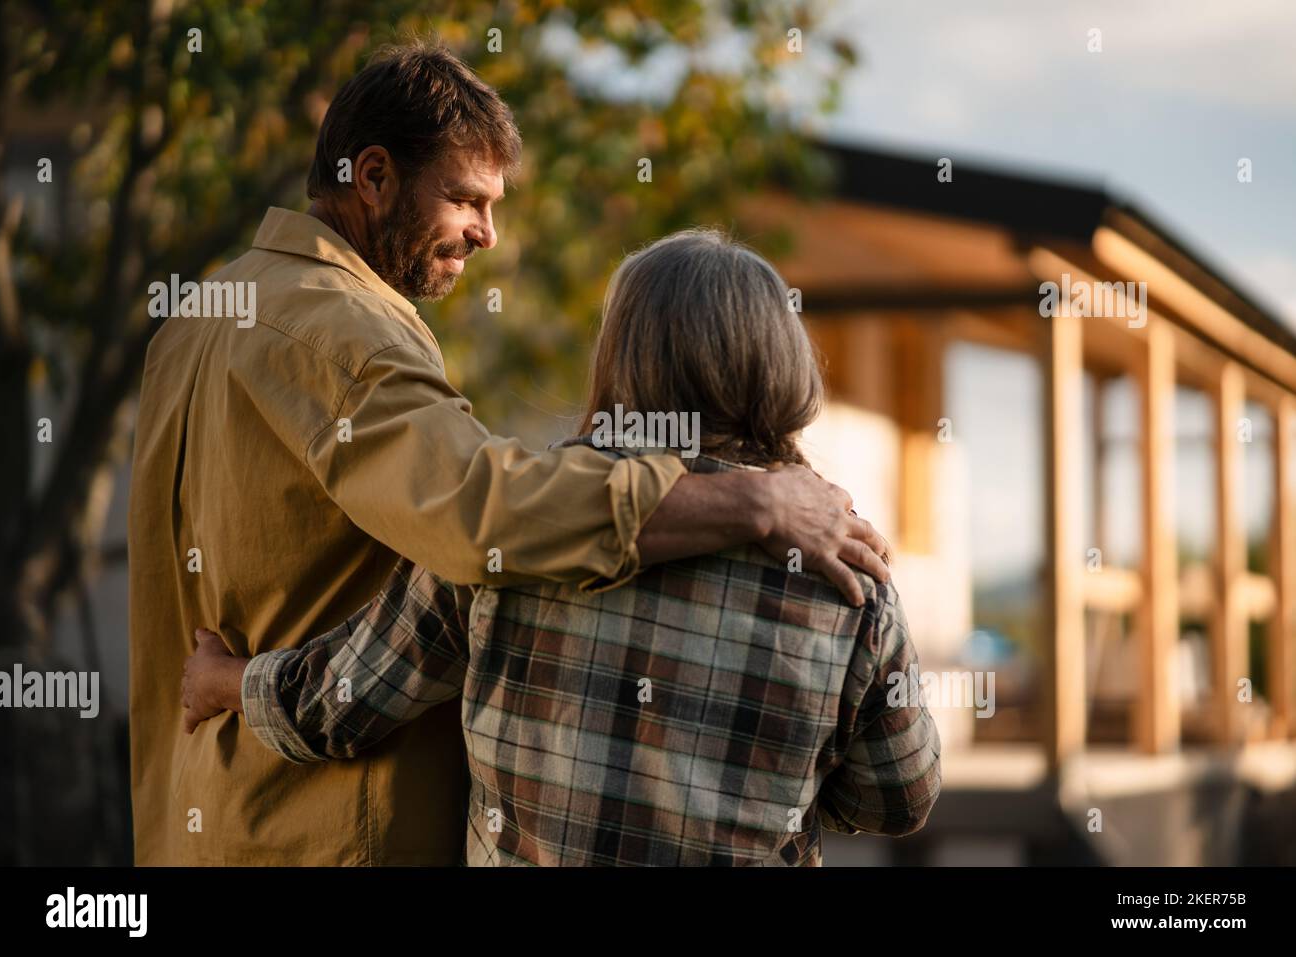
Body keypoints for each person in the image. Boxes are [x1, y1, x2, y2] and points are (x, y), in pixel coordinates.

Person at [130, 40, 890, 865]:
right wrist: (759, 503)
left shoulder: (201, 317)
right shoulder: (344, 333)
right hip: (326, 831)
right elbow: (481, 511)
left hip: (202, 817)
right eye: (465, 198)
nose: (488, 233)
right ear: (373, 176)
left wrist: (236, 684)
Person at [182, 229, 941, 866]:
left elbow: (340, 702)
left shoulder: (522, 529)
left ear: (622, 357)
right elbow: (900, 797)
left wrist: (226, 681)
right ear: (784, 368)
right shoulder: (846, 573)